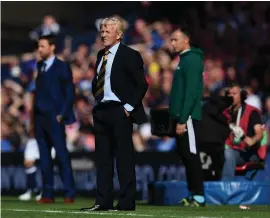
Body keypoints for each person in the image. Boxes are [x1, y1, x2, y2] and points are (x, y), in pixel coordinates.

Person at [80, 16, 148, 212]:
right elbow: (98, 81)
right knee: (103, 160)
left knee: (124, 159)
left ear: (118, 35)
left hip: (120, 110)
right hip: (101, 110)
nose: (103, 34)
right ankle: (103, 201)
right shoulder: (101, 54)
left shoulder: (130, 55)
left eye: (107, 31)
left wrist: (128, 108)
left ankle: (126, 202)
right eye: (102, 31)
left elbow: (142, 85)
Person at [33, 34, 76, 203]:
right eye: (39, 46)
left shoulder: (62, 67)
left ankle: (69, 192)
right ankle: (47, 193)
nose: (39, 49)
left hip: (55, 117)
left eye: (42, 46)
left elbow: (69, 93)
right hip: (40, 118)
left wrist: (62, 114)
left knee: (61, 156)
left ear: (52, 47)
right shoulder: (40, 66)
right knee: (44, 158)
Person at [169, 25, 205, 207]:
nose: (172, 43)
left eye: (176, 39)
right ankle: (193, 194)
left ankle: (199, 195)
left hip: (188, 117)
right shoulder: (184, 60)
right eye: (171, 40)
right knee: (186, 155)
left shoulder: (191, 60)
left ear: (186, 40)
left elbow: (191, 92)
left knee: (191, 155)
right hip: (182, 116)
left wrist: (183, 119)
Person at [221, 83, 267, 180]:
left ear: (241, 95)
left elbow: (259, 133)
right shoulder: (225, 113)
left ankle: (225, 188)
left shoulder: (252, 112)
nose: (231, 96)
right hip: (230, 150)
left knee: (228, 153)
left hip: (248, 152)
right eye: (229, 94)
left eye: (234, 94)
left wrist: (250, 140)